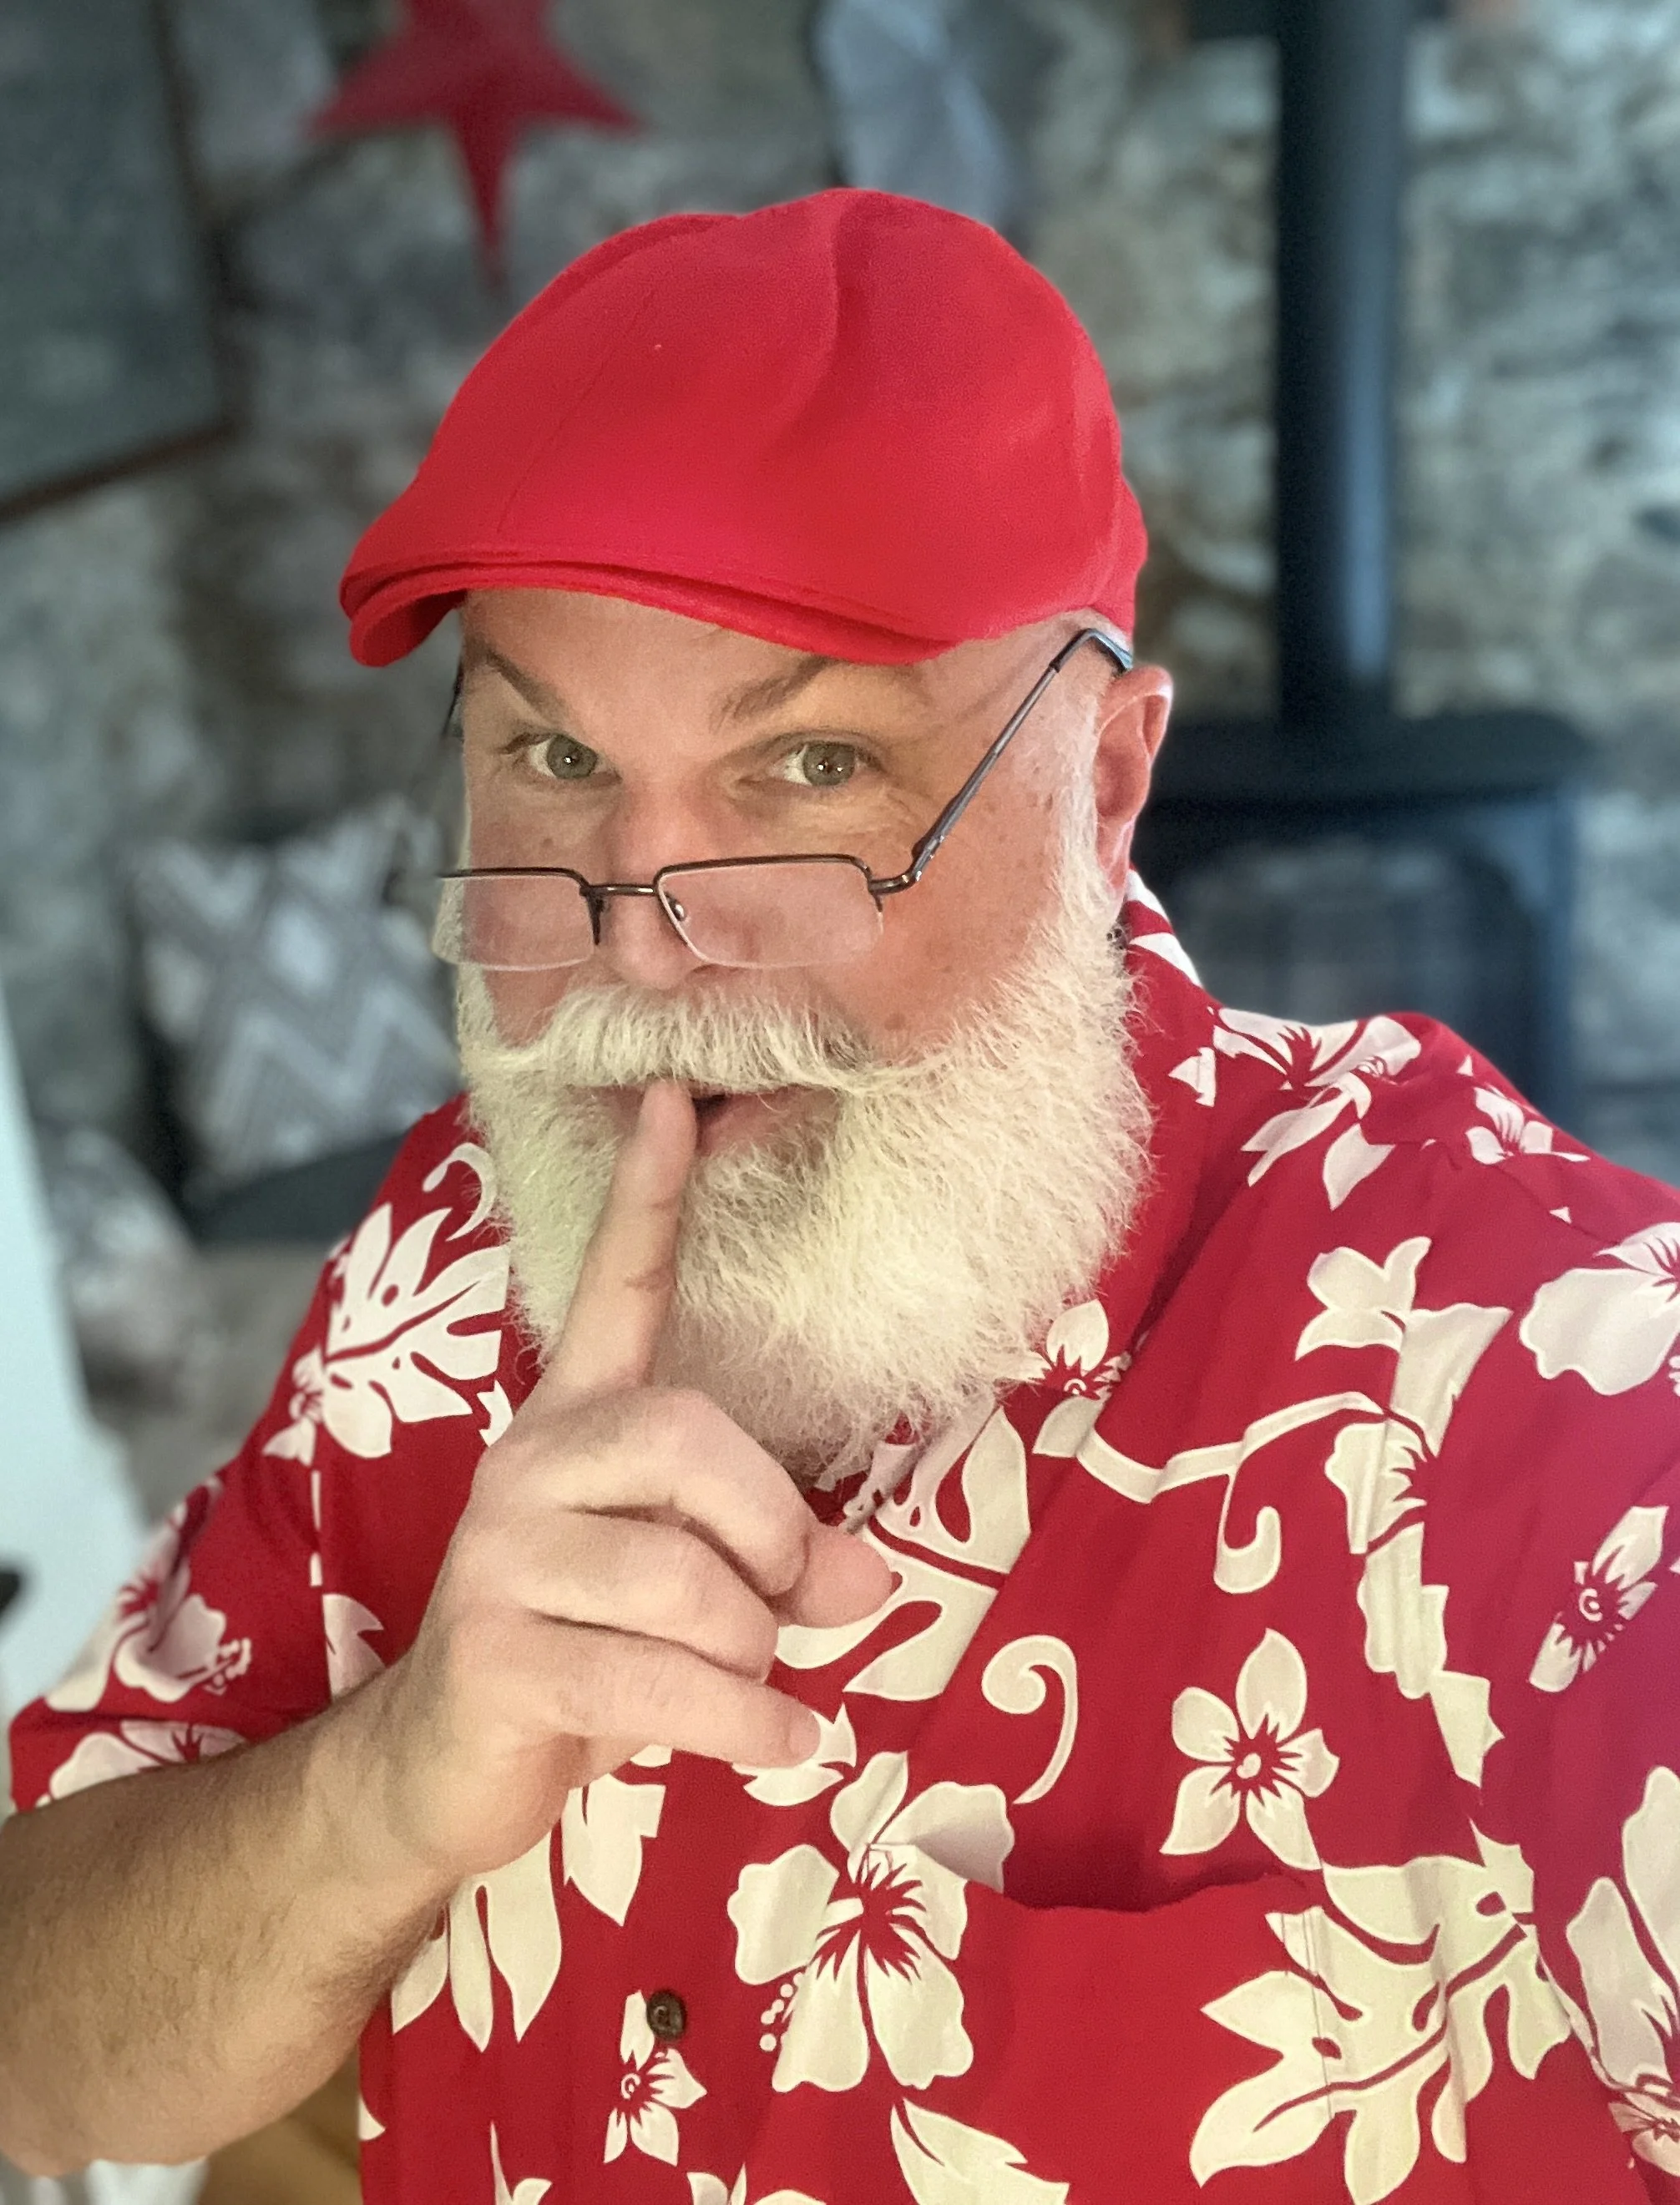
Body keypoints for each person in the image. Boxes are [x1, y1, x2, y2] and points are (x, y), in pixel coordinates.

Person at [3, 187, 1678, 2204]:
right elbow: (40, 2059)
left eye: (809, 772)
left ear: (1112, 780)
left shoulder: (1525, 1369)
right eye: (547, 754)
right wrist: (381, 1794)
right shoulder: (455, 1250)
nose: (638, 955)